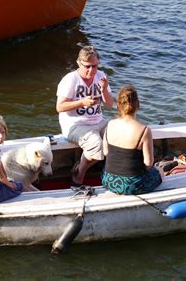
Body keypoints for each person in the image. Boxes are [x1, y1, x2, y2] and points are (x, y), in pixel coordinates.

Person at [56, 46, 114, 187]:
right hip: (75, 125)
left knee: (120, 133)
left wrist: (104, 89)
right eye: (87, 66)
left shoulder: (101, 76)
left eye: (94, 66)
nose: (91, 70)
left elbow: (109, 105)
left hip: (98, 122)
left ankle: (109, 172)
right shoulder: (70, 80)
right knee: (96, 145)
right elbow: (59, 107)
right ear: (79, 63)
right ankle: (79, 172)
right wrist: (82, 102)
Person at [101, 85, 162, 195]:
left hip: (108, 180)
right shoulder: (144, 130)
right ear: (138, 105)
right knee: (158, 172)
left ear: (119, 105)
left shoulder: (110, 124)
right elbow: (148, 163)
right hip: (131, 185)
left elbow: (105, 152)